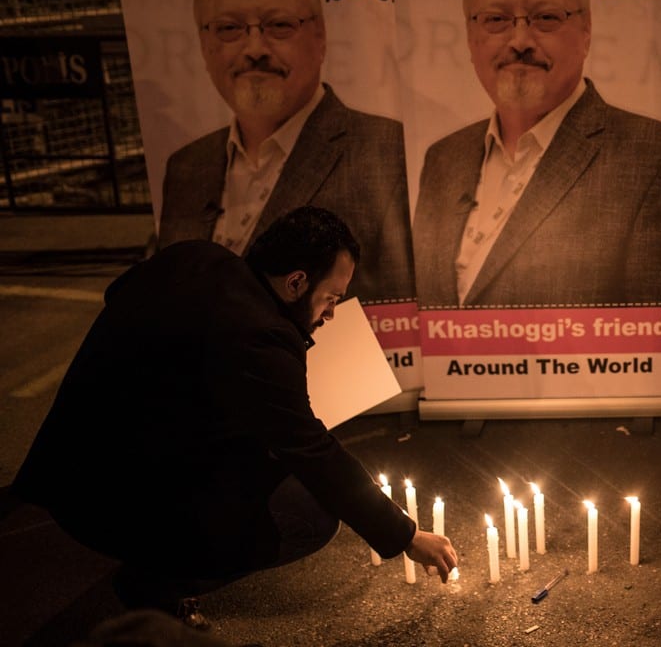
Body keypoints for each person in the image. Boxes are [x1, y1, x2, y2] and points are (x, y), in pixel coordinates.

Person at [13, 207, 457, 627]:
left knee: (262, 459)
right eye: (331, 298)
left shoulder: (196, 256)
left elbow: (120, 293)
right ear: (297, 282)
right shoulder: (259, 336)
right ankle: (157, 582)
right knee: (311, 516)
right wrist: (406, 536)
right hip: (109, 493)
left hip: (73, 457)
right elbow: (313, 452)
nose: (332, 313)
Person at [412, 0, 661, 308]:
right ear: (470, 37)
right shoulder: (443, 159)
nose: (519, 41)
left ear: (586, 32)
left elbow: (659, 344)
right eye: (495, 20)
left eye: (545, 18)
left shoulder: (658, 159)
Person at [158, 0, 414, 305]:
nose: (254, 49)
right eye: (229, 28)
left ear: (320, 36)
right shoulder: (186, 166)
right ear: (203, 44)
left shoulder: (387, 151)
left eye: (278, 26)